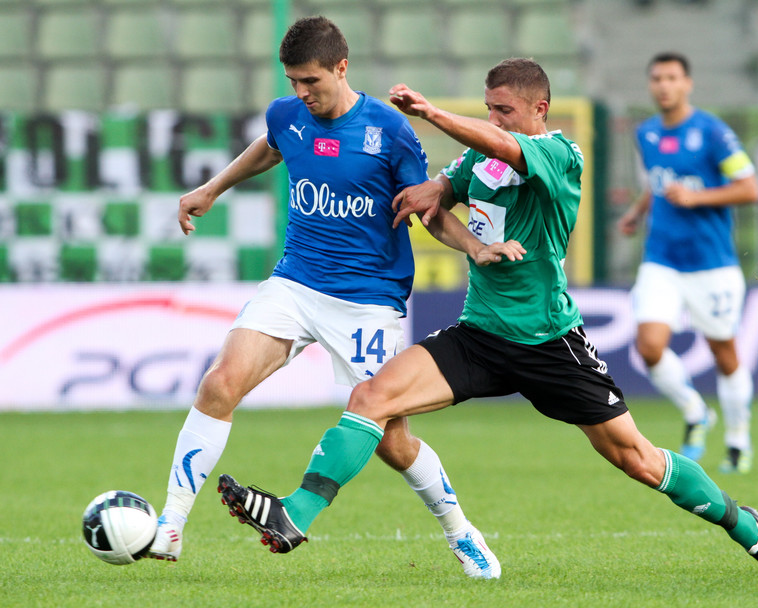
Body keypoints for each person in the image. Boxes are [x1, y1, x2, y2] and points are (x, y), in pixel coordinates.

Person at [216, 58, 758, 574]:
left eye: (503, 110)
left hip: (549, 343)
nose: (494, 121)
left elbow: (503, 148)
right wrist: (429, 194)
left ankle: (746, 526)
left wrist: (433, 115)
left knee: (637, 459)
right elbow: (444, 190)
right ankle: (295, 514)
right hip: (481, 335)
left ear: (538, 108)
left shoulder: (560, 154)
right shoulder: (481, 162)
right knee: (370, 399)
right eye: (488, 110)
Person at [148, 16, 505, 579]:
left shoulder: (389, 131)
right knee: (219, 384)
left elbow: (427, 209)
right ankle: (169, 525)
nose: (301, 93)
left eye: (310, 81)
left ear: (342, 68)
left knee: (390, 439)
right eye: (292, 81)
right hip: (295, 282)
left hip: (368, 298)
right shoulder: (288, 114)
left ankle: (461, 532)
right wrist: (211, 189)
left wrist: (475, 250)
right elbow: (271, 147)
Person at [618, 52, 758, 474]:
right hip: (661, 258)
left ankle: (738, 439)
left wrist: (697, 197)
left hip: (711, 263)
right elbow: (656, 183)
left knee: (724, 352)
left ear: (687, 84)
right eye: (657, 78)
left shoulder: (713, 133)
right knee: (649, 346)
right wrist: (637, 211)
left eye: (672, 78)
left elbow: (749, 187)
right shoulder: (645, 134)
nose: (664, 85)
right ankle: (696, 412)